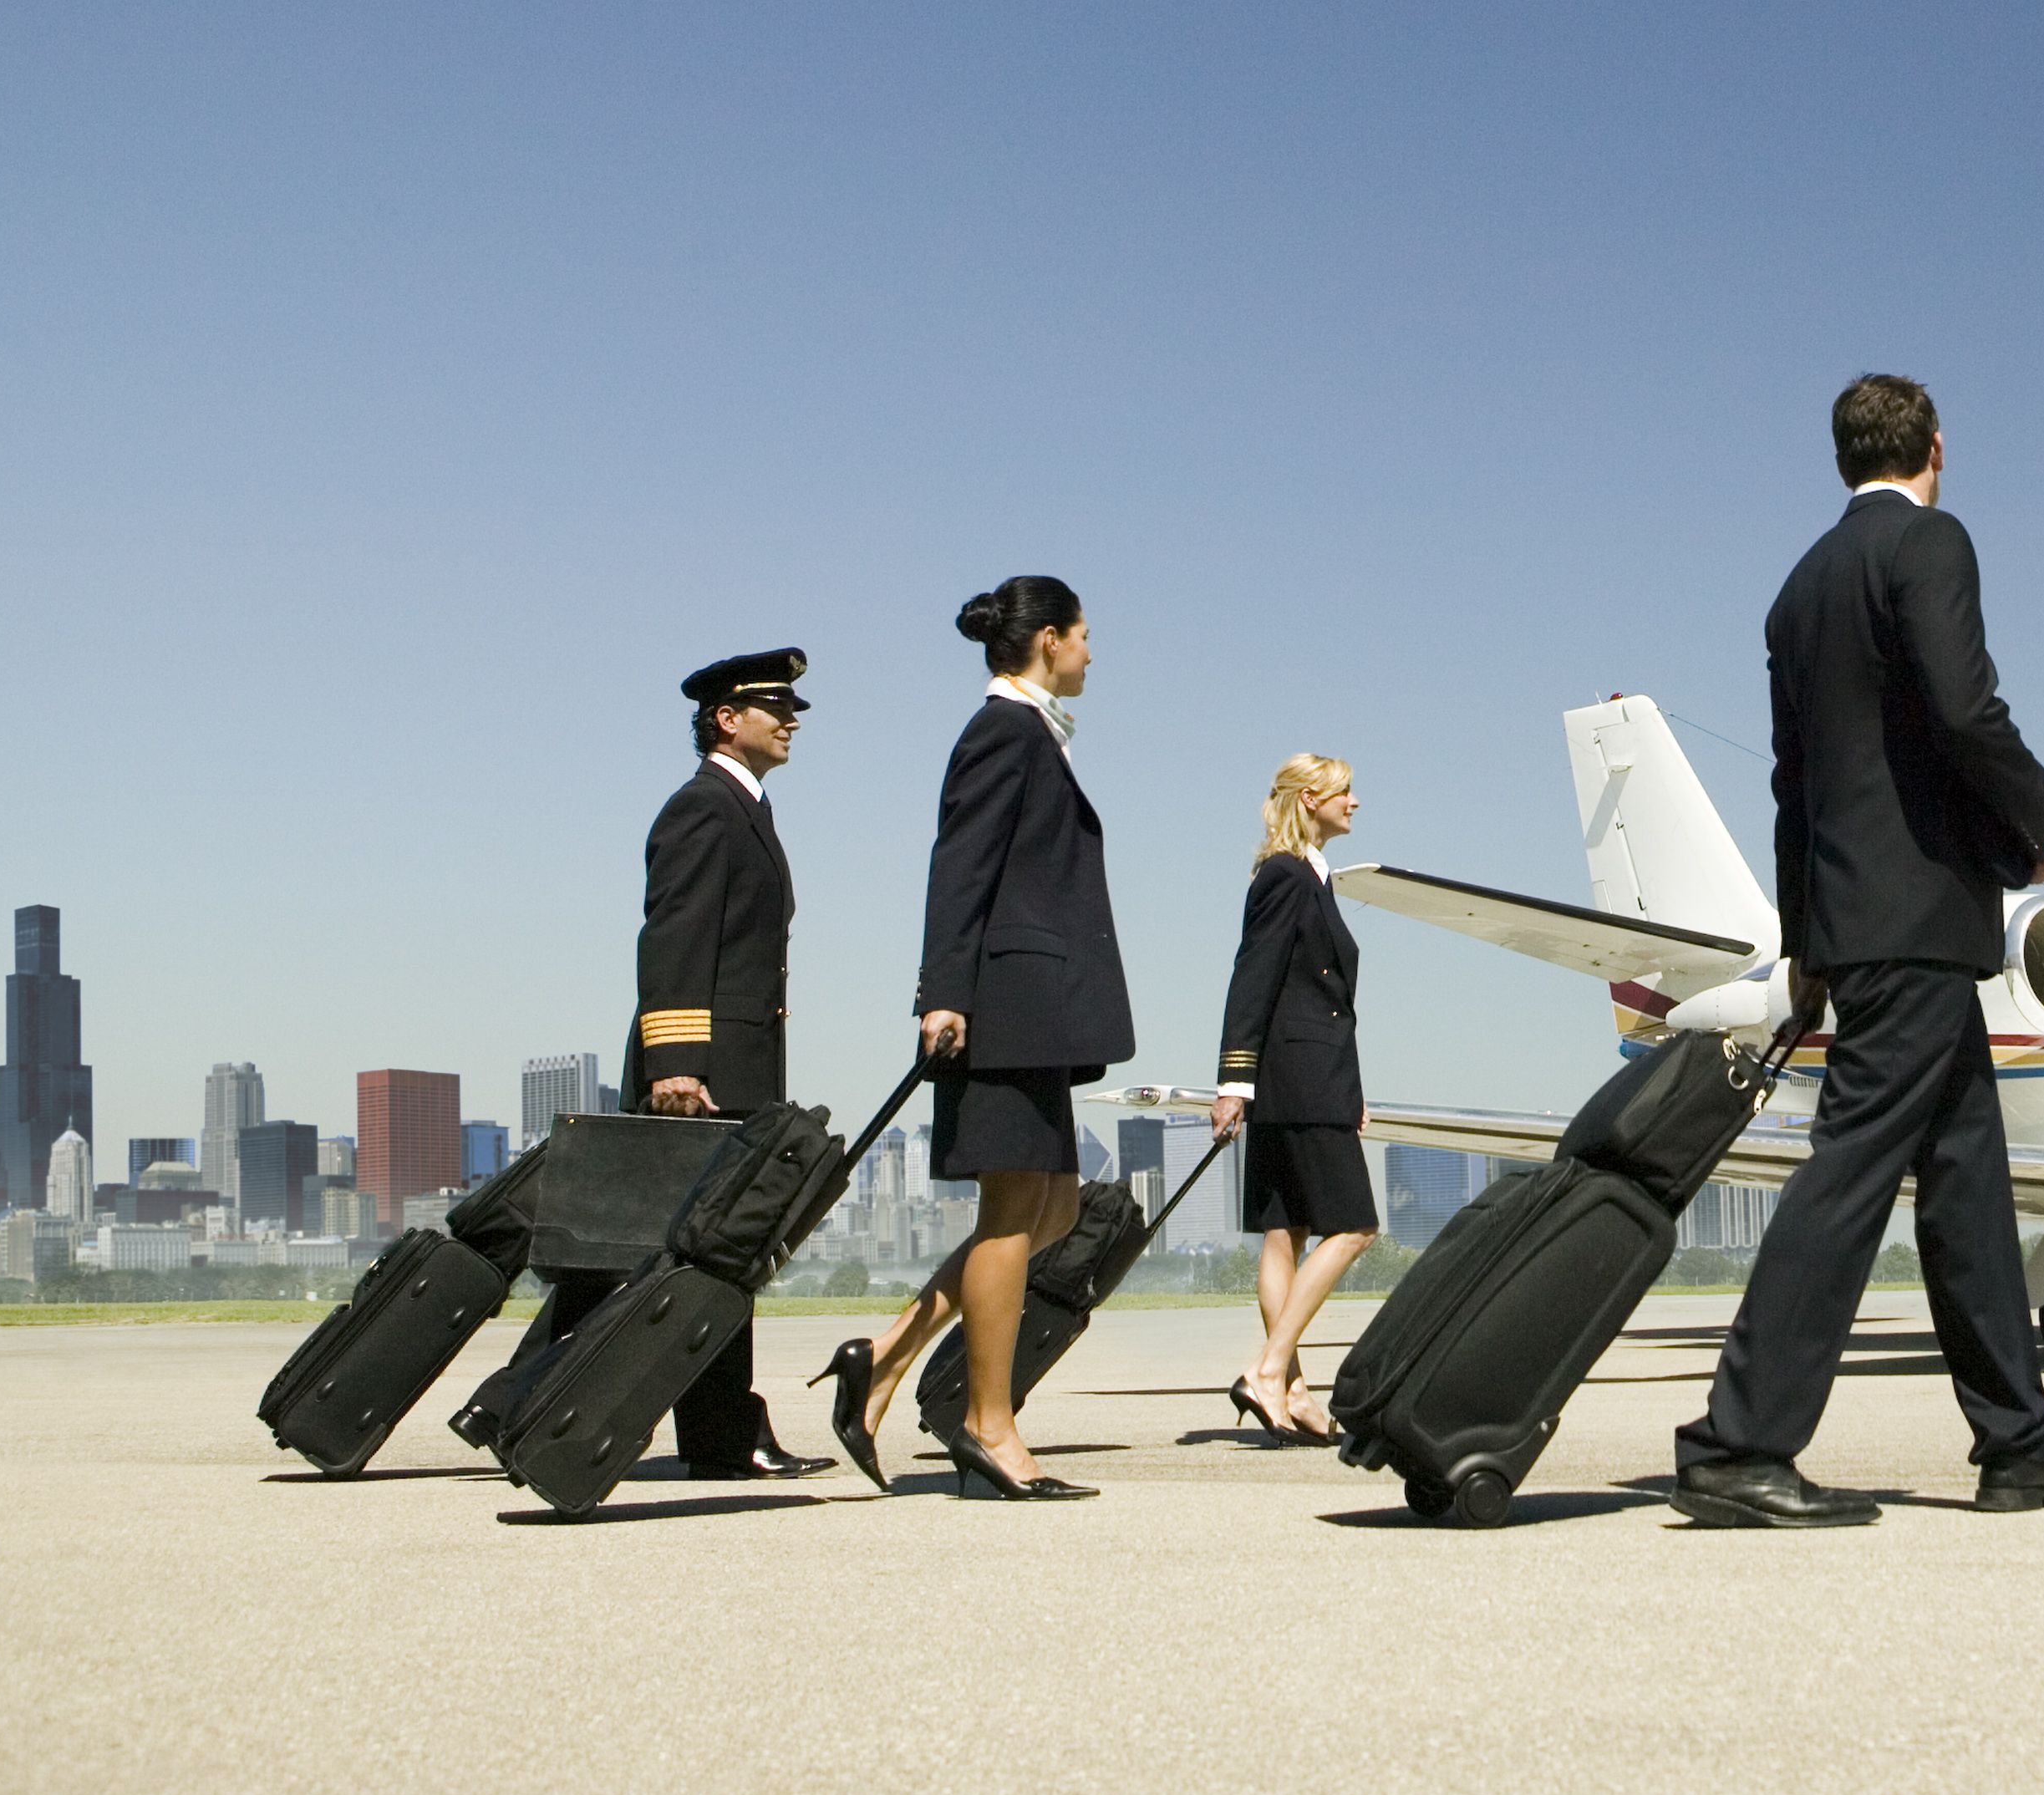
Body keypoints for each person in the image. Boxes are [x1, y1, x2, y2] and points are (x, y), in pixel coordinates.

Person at [1671, 375, 2044, 1528]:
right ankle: (1738, 1442)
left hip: (1862, 923)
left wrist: (1806, 939)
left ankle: (2021, 1445)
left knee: (1968, 1186)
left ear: (1841, 457)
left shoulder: (1798, 591)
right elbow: (1967, 709)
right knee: (1851, 1169)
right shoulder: (1929, 544)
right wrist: (2037, 822)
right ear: (1934, 446)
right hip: (1919, 920)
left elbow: (1794, 786)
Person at [456, 648, 834, 1476]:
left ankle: (697, 1430)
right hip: (699, 1073)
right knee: (683, 1253)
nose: (792, 719)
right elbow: (671, 937)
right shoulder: (703, 808)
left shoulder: (745, 810)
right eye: (776, 705)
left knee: (675, 1255)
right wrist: (676, 1060)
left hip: (729, 1066)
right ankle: (545, 1407)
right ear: (727, 719)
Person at [811, 577, 1133, 1500]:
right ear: (1045, 640)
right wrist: (942, 992)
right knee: (1009, 1216)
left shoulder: (1034, 731)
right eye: (1081, 635)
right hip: (1002, 1005)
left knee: (1056, 1211)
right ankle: (989, 1425)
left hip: (1040, 1008)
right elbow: (959, 862)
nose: (1088, 652)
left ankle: (885, 1353)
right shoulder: (1001, 729)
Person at [1212, 754, 1373, 1441]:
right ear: (1311, 798)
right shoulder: (1285, 877)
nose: (1356, 803)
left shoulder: (1312, 877)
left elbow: (1324, 997)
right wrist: (1232, 1081)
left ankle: (1296, 1392)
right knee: (1355, 1225)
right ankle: (1270, 1369)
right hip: (1300, 1079)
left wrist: (1354, 1090)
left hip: (1309, 1077)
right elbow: (1254, 978)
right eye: (1346, 793)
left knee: (1286, 1232)